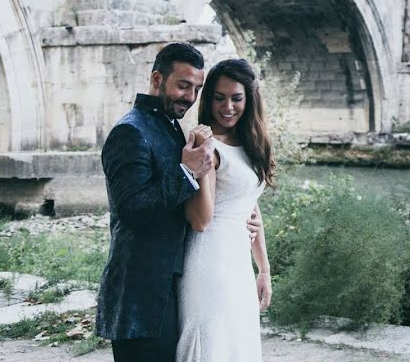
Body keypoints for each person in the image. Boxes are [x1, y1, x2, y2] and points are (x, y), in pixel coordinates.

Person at [95, 43, 262, 362]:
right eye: (183, 85)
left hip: (169, 288)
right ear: (157, 80)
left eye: (197, 89)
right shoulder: (129, 132)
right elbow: (133, 212)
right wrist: (186, 170)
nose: (189, 96)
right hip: (139, 297)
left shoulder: (168, 126)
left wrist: (237, 220)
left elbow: (194, 202)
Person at [177, 58, 275, 362]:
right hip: (210, 262)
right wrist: (200, 163)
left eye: (236, 98)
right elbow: (201, 220)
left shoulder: (251, 143)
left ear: (250, 98)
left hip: (237, 264)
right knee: (211, 345)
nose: (227, 106)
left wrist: (264, 269)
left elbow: (250, 206)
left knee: (237, 345)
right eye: (219, 98)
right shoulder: (207, 143)